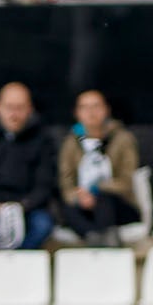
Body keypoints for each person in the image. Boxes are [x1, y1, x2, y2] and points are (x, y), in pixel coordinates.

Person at [0, 82, 56, 251]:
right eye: (9, 107)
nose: (14, 114)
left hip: (28, 207)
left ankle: (20, 265)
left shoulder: (42, 138)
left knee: (43, 225)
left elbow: (45, 182)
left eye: (20, 108)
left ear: (29, 109)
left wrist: (22, 206)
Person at [57, 89, 141, 247]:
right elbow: (66, 184)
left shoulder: (122, 139)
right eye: (85, 107)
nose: (91, 112)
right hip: (83, 206)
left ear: (106, 110)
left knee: (103, 201)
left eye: (96, 106)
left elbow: (126, 182)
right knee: (67, 208)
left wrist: (97, 188)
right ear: (77, 113)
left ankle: (101, 243)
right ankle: (96, 240)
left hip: (117, 205)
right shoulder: (71, 143)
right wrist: (79, 196)